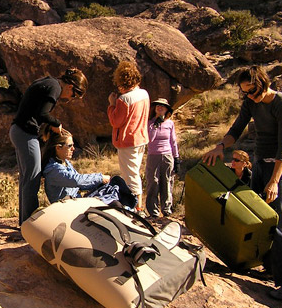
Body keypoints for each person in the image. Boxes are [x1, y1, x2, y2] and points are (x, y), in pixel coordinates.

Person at [203, 66, 282, 300]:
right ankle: (269, 268)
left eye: (252, 91)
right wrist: (220, 147)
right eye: (245, 93)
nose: (249, 96)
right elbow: (237, 128)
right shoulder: (251, 103)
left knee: (281, 221)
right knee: (258, 218)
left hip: (281, 168)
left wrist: (274, 181)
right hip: (260, 163)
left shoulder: (281, 103)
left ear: (263, 82)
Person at [9, 68, 88, 225]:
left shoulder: (49, 82)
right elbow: (42, 113)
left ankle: (24, 222)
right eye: (73, 96)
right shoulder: (55, 88)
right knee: (33, 178)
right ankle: (30, 224)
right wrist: (56, 123)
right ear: (71, 87)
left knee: (26, 178)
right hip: (25, 133)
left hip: (18, 131)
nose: (70, 99)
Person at [42, 128, 137, 208]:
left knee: (115, 186)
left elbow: (81, 184)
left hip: (76, 201)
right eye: (70, 146)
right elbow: (77, 181)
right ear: (58, 148)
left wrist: (100, 183)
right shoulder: (53, 170)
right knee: (114, 204)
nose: (73, 149)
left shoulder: (65, 163)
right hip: (67, 207)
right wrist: (100, 178)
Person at [107, 61, 150, 214]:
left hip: (127, 141)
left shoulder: (124, 100)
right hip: (140, 138)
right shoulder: (144, 94)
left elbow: (116, 121)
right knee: (134, 172)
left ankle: (137, 207)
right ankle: (136, 205)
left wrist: (112, 104)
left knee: (130, 175)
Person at [145, 98, 180, 219]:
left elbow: (173, 141)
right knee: (153, 182)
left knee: (167, 182)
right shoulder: (149, 122)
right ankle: (153, 211)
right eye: (158, 106)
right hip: (153, 156)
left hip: (167, 155)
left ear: (167, 110)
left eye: (163, 106)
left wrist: (176, 158)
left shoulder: (170, 123)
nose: (160, 108)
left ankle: (166, 210)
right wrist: (156, 124)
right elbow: (150, 139)